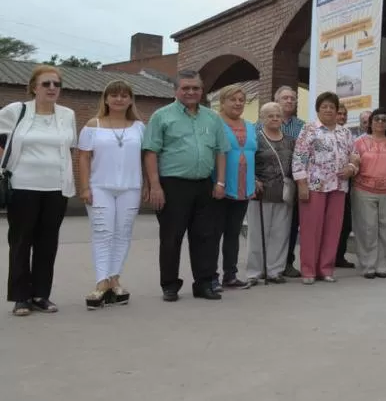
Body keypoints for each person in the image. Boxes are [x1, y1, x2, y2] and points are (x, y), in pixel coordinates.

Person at [143, 70, 229, 302]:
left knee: (205, 237)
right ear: (176, 90)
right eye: (186, 88)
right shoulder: (161, 116)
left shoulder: (212, 118)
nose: (191, 92)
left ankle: (204, 284)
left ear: (202, 91)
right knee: (171, 237)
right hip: (172, 185)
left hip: (204, 185)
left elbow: (221, 151)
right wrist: (155, 185)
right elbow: (151, 152)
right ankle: (170, 285)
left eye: (196, 88)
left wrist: (220, 182)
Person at [0, 65, 76, 316]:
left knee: (47, 243)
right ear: (34, 87)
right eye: (46, 84)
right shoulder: (16, 111)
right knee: (21, 242)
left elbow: (69, 149)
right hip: (23, 186)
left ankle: (41, 294)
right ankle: (21, 297)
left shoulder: (67, 115)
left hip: (56, 188)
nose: (52, 88)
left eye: (56, 84)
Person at [77, 80, 145, 309]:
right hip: (100, 187)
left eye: (124, 95)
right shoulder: (92, 125)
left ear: (130, 100)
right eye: (114, 95)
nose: (119, 99)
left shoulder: (139, 127)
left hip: (131, 187)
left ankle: (115, 278)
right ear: (105, 99)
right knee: (103, 233)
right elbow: (84, 158)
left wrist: (147, 184)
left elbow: (146, 157)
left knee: (122, 233)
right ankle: (101, 282)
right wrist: (85, 187)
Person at [292, 91, 358, 284]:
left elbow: (354, 155)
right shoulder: (309, 129)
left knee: (333, 229)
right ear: (318, 109)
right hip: (314, 185)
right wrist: (301, 184)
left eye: (332, 106)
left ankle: (326, 269)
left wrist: (351, 168)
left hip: (338, 186)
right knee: (311, 229)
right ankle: (309, 271)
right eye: (324, 107)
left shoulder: (345, 132)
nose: (328, 110)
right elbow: (299, 157)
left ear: (337, 110)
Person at [212, 85, 257, 290]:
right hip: (219, 187)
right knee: (214, 234)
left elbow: (253, 155)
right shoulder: (215, 123)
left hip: (243, 189)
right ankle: (211, 276)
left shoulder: (250, 126)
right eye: (233, 99)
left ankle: (230, 275)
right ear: (222, 102)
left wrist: (254, 180)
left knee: (233, 234)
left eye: (241, 100)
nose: (238, 103)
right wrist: (216, 183)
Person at [352, 108, 386, 279]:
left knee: (385, 229)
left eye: (384, 120)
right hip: (364, 190)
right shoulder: (359, 142)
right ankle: (368, 265)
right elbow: (353, 164)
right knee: (368, 229)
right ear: (371, 122)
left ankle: (382, 266)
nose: (380, 123)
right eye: (377, 119)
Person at [245, 102, 295, 285]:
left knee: (280, 233)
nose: (274, 118)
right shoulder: (255, 139)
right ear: (262, 118)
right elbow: (247, 161)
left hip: (284, 193)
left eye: (277, 115)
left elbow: (295, 164)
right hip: (261, 192)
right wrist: (252, 179)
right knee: (257, 233)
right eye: (270, 116)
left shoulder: (290, 140)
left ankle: (275, 270)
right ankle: (255, 271)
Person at [274, 86, 305, 278]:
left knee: (291, 224)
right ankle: (268, 263)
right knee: (272, 224)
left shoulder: (302, 126)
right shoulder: (262, 124)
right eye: (285, 98)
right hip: (270, 180)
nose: (289, 101)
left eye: (292, 99)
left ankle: (287, 263)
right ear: (276, 100)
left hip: (293, 181)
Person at [334, 107, 371, 269]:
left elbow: (355, 158)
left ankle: (338, 256)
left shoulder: (349, 135)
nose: (342, 117)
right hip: (325, 184)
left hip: (348, 184)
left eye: (344, 114)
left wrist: (352, 165)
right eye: (339, 114)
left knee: (346, 223)